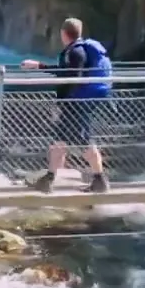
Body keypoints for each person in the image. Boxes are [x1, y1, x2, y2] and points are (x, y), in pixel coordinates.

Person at [21, 18, 113, 193]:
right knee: (60, 141)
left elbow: (72, 76)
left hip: (75, 104)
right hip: (76, 103)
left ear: (64, 34)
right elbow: (68, 72)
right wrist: (39, 66)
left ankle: (100, 180)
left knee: (83, 142)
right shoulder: (76, 50)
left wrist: (63, 100)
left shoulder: (76, 52)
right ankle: (48, 179)